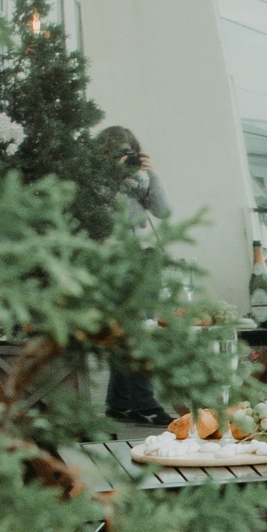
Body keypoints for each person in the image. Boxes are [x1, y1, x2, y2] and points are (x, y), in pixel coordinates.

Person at [98, 125, 172, 424]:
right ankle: (145, 403)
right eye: (118, 153)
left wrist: (152, 174)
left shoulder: (139, 180)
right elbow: (103, 217)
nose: (125, 158)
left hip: (143, 259)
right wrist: (115, 178)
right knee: (134, 331)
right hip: (112, 263)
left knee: (137, 330)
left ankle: (118, 403)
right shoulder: (93, 180)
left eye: (130, 152)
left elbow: (163, 212)